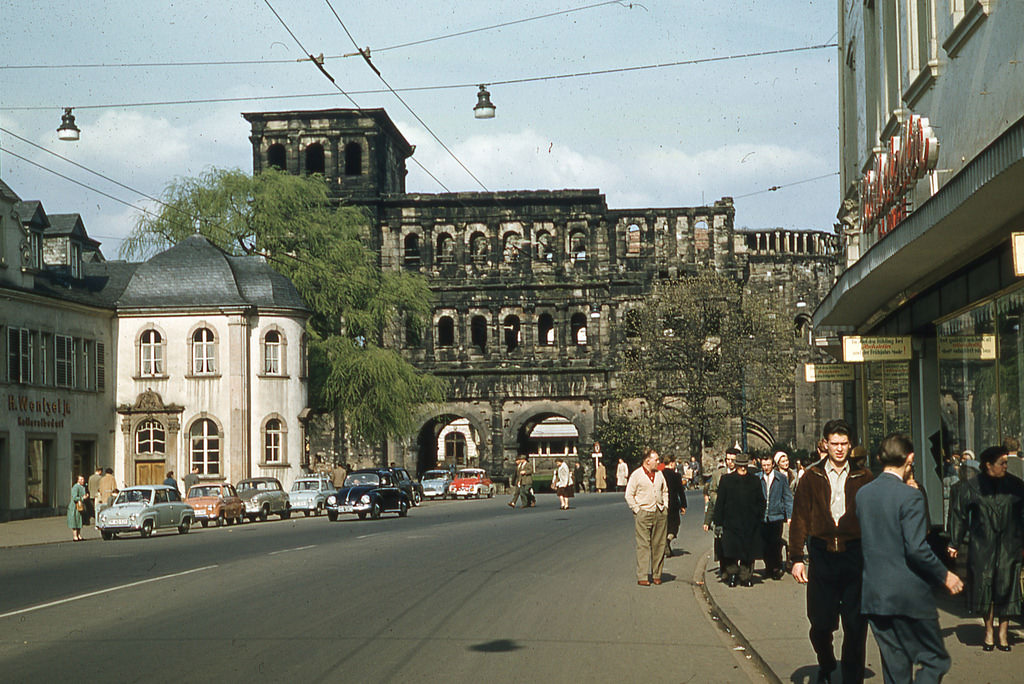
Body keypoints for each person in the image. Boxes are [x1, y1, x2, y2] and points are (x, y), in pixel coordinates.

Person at [857, 433, 963, 683]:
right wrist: (945, 574)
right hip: (907, 596)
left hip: (875, 594)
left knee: (895, 668)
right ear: (910, 458)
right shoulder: (910, 496)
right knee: (935, 660)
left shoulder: (863, 494)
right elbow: (916, 548)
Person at [789, 419, 874, 684]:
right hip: (822, 555)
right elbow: (800, 517)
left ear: (851, 446)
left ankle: (852, 679)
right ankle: (825, 660)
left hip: (854, 555)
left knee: (855, 626)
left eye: (844, 444)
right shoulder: (811, 477)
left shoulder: (864, 477)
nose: (839, 449)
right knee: (820, 622)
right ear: (825, 444)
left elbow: (874, 519)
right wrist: (796, 559)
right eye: (834, 444)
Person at [948, 445, 1024, 652]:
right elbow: (958, 514)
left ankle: (1003, 633)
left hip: (1010, 544)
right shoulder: (971, 487)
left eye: (1006, 463)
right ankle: (989, 631)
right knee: (985, 587)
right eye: (1002, 463)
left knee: (1008, 587)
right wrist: (954, 542)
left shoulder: (1016, 486)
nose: (1005, 467)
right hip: (983, 544)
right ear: (988, 465)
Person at [713, 453, 764, 587]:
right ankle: (733, 574)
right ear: (736, 466)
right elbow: (720, 502)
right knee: (730, 550)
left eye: (744, 466)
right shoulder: (726, 480)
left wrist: (759, 517)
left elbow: (761, 501)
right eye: (740, 466)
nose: (742, 468)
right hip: (731, 522)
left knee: (748, 552)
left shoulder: (754, 481)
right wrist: (718, 522)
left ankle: (745, 576)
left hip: (749, 522)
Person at [625, 448, 669, 585]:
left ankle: (657, 574)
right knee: (643, 545)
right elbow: (629, 495)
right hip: (644, 512)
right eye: (656, 460)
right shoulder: (637, 475)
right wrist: (637, 510)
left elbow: (665, 490)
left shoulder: (660, 474)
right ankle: (643, 576)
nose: (658, 462)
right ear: (647, 460)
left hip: (659, 511)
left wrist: (665, 506)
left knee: (659, 544)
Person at [758, 453, 793, 580]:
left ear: (773, 464)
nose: (766, 468)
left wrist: (789, 516)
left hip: (776, 516)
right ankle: (768, 566)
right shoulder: (758, 477)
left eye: (768, 465)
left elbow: (788, 497)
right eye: (763, 465)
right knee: (764, 545)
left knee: (776, 544)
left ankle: (776, 567)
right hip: (762, 516)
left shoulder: (781, 478)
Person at [704, 447, 738, 575]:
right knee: (721, 541)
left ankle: (734, 567)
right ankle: (724, 569)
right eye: (727, 459)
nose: (730, 462)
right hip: (721, 512)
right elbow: (711, 491)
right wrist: (719, 499)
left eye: (732, 460)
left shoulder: (741, 472)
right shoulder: (718, 474)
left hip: (736, 513)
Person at [660, 454, 688, 557]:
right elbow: (681, 492)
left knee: (664, 526)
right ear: (671, 463)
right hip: (673, 505)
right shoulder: (676, 476)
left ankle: (664, 544)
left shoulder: (660, 474)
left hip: (662, 504)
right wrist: (683, 505)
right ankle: (667, 541)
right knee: (674, 526)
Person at [67, 475, 88, 542]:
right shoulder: (76, 487)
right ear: (78, 480)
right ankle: (75, 536)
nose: (83, 481)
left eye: (83, 479)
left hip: (80, 506)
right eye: (81, 479)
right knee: (75, 521)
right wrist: (82, 498)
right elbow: (74, 497)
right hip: (75, 507)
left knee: (79, 520)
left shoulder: (82, 487)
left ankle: (79, 535)